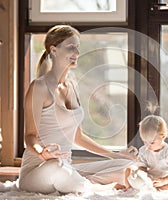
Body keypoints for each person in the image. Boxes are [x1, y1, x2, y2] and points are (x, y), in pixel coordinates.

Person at [18, 25, 137, 194]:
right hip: (39, 170)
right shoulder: (39, 87)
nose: (77, 53)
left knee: (128, 164)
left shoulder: (72, 85)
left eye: (77, 47)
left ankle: (81, 183)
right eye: (70, 47)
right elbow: (30, 137)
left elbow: (77, 137)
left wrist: (116, 155)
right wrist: (42, 152)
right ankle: (99, 189)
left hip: (66, 167)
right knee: (57, 166)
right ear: (54, 50)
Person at [125, 113, 168, 191]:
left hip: (165, 180)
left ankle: (150, 188)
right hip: (149, 178)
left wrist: (164, 181)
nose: (148, 145)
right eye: (145, 141)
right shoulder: (143, 150)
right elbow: (142, 167)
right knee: (129, 169)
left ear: (163, 136)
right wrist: (142, 176)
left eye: (151, 142)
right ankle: (129, 189)